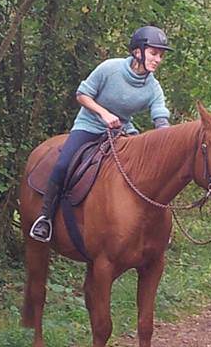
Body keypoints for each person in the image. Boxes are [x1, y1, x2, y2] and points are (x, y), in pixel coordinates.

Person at [29, 25, 172, 242]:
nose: (158, 59)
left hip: (121, 132)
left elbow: (160, 116)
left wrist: (167, 136)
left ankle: (146, 230)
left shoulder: (153, 87)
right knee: (62, 164)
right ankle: (45, 218)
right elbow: (82, 94)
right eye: (154, 53)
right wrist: (103, 113)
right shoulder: (110, 68)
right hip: (89, 125)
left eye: (161, 55)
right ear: (137, 51)